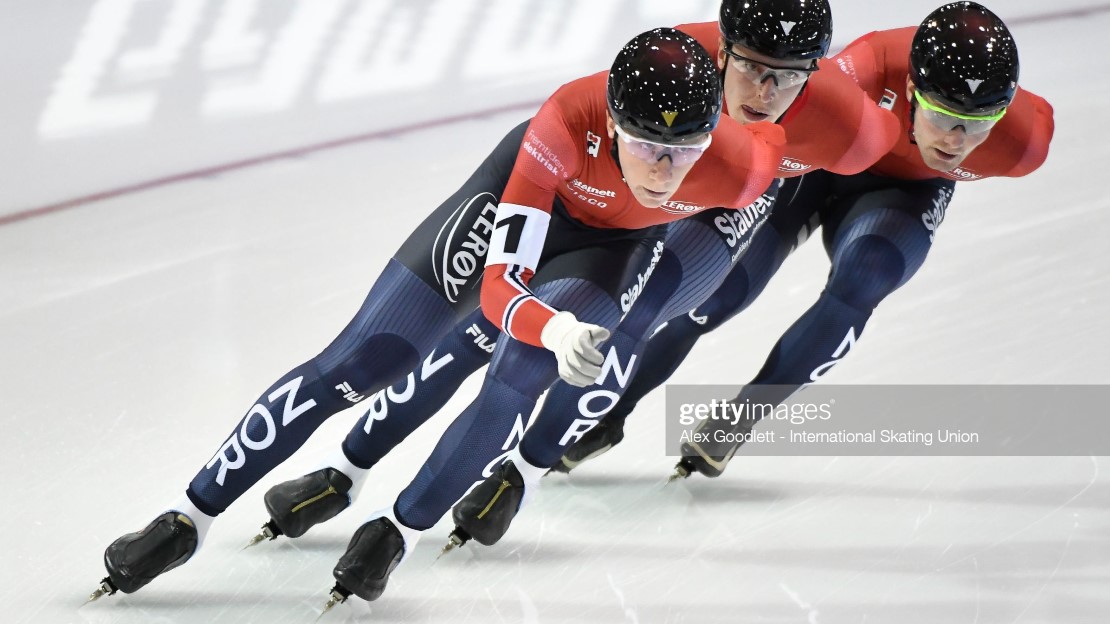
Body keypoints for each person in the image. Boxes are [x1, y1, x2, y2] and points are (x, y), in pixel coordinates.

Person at [90, 27, 785, 602]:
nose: (663, 171)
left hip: (616, 246)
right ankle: (188, 516)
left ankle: (398, 529)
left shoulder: (744, 165)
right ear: (611, 119)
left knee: (521, 374)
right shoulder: (564, 124)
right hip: (530, 197)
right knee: (364, 360)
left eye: (683, 151)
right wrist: (556, 324)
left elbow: (832, 126)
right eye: (645, 145)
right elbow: (499, 288)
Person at [250, 0, 898, 552]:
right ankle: (349, 465)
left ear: (813, 75)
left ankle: (526, 468)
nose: (763, 92)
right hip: (624, 194)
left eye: (787, 78)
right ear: (722, 49)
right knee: (472, 328)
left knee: (633, 318)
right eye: (751, 67)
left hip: (712, 204)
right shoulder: (671, 67)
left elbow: (913, 141)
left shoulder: (846, 127)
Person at [548, 1, 1055, 482]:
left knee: (869, 272)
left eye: (978, 125)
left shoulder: (1023, 144)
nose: (955, 142)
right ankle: (607, 411)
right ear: (908, 87)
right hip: (808, 167)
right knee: (712, 295)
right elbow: (761, 125)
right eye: (942, 116)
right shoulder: (865, 71)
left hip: (907, 192)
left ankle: (744, 416)